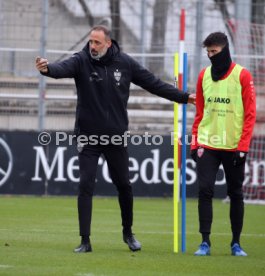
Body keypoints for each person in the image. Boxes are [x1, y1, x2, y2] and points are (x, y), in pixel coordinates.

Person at [36, 25, 196, 253]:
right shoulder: (81, 60)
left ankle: (128, 233)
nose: (92, 46)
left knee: (124, 185)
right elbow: (60, 69)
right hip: (88, 137)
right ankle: (85, 240)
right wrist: (46, 69)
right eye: (91, 41)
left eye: (97, 43)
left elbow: (153, 84)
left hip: (115, 138)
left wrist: (183, 97)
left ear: (108, 43)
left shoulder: (125, 63)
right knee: (85, 184)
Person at [191, 32, 256, 256]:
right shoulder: (203, 76)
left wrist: (243, 146)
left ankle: (236, 243)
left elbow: (250, 114)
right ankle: (205, 242)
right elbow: (199, 113)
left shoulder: (243, 76)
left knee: (235, 192)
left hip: (234, 147)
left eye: (214, 52)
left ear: (225, 50)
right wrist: (194, 142)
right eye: (208, 52)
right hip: (207, 144)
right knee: (204, 190)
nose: (210, 56)